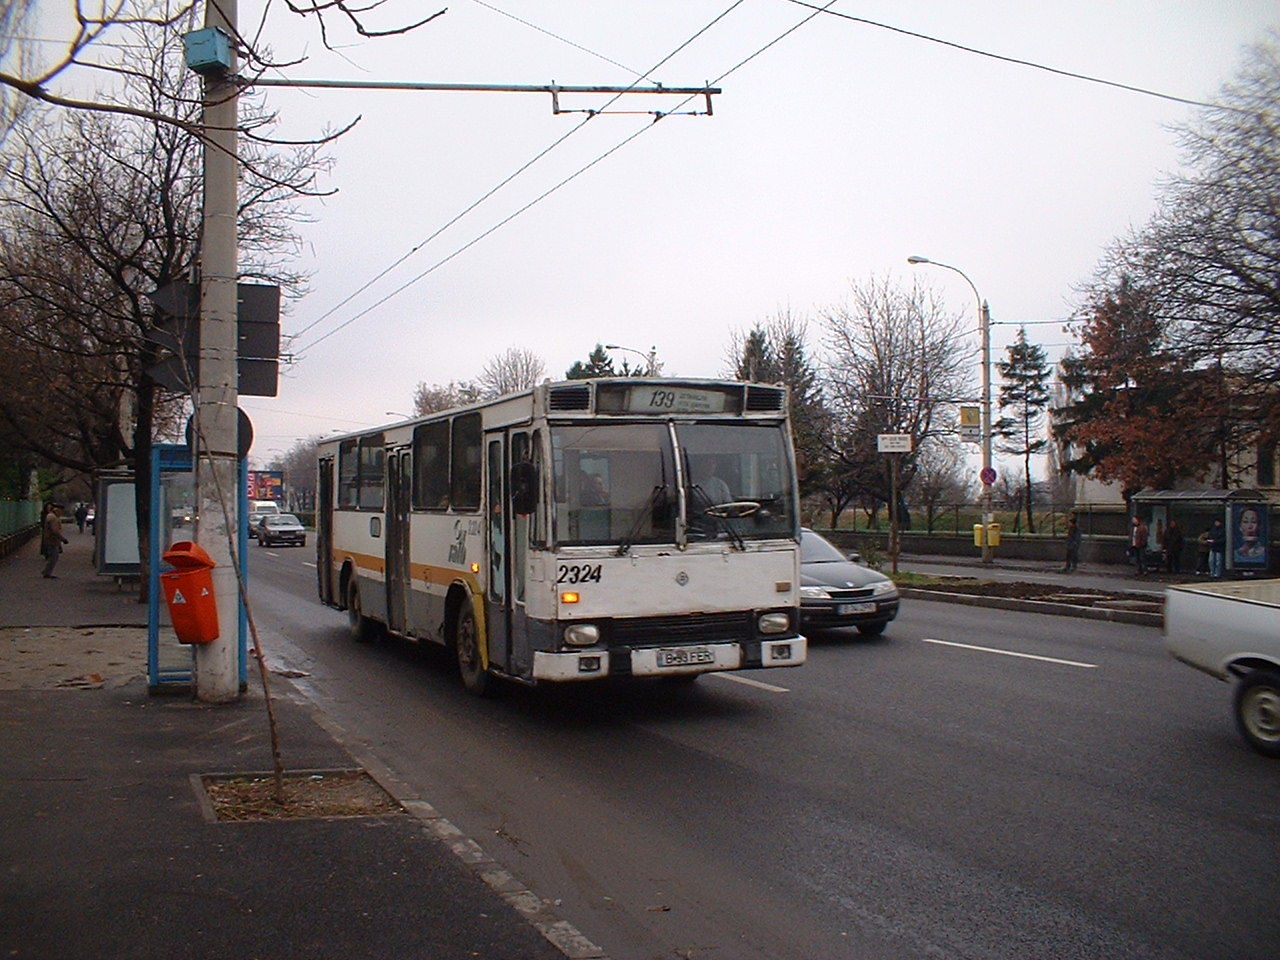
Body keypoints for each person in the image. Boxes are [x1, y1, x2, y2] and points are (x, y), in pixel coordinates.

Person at [40, 503, 69, 579]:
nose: (61, 513)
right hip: (52, 539)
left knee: (52, 556)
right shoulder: (53, 518)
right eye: (61, 511)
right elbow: (55, 530)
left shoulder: (50, 516)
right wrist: (63, 539)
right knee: (54, 557)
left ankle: (46, 571)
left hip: (50, 539)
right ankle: (47, 573)